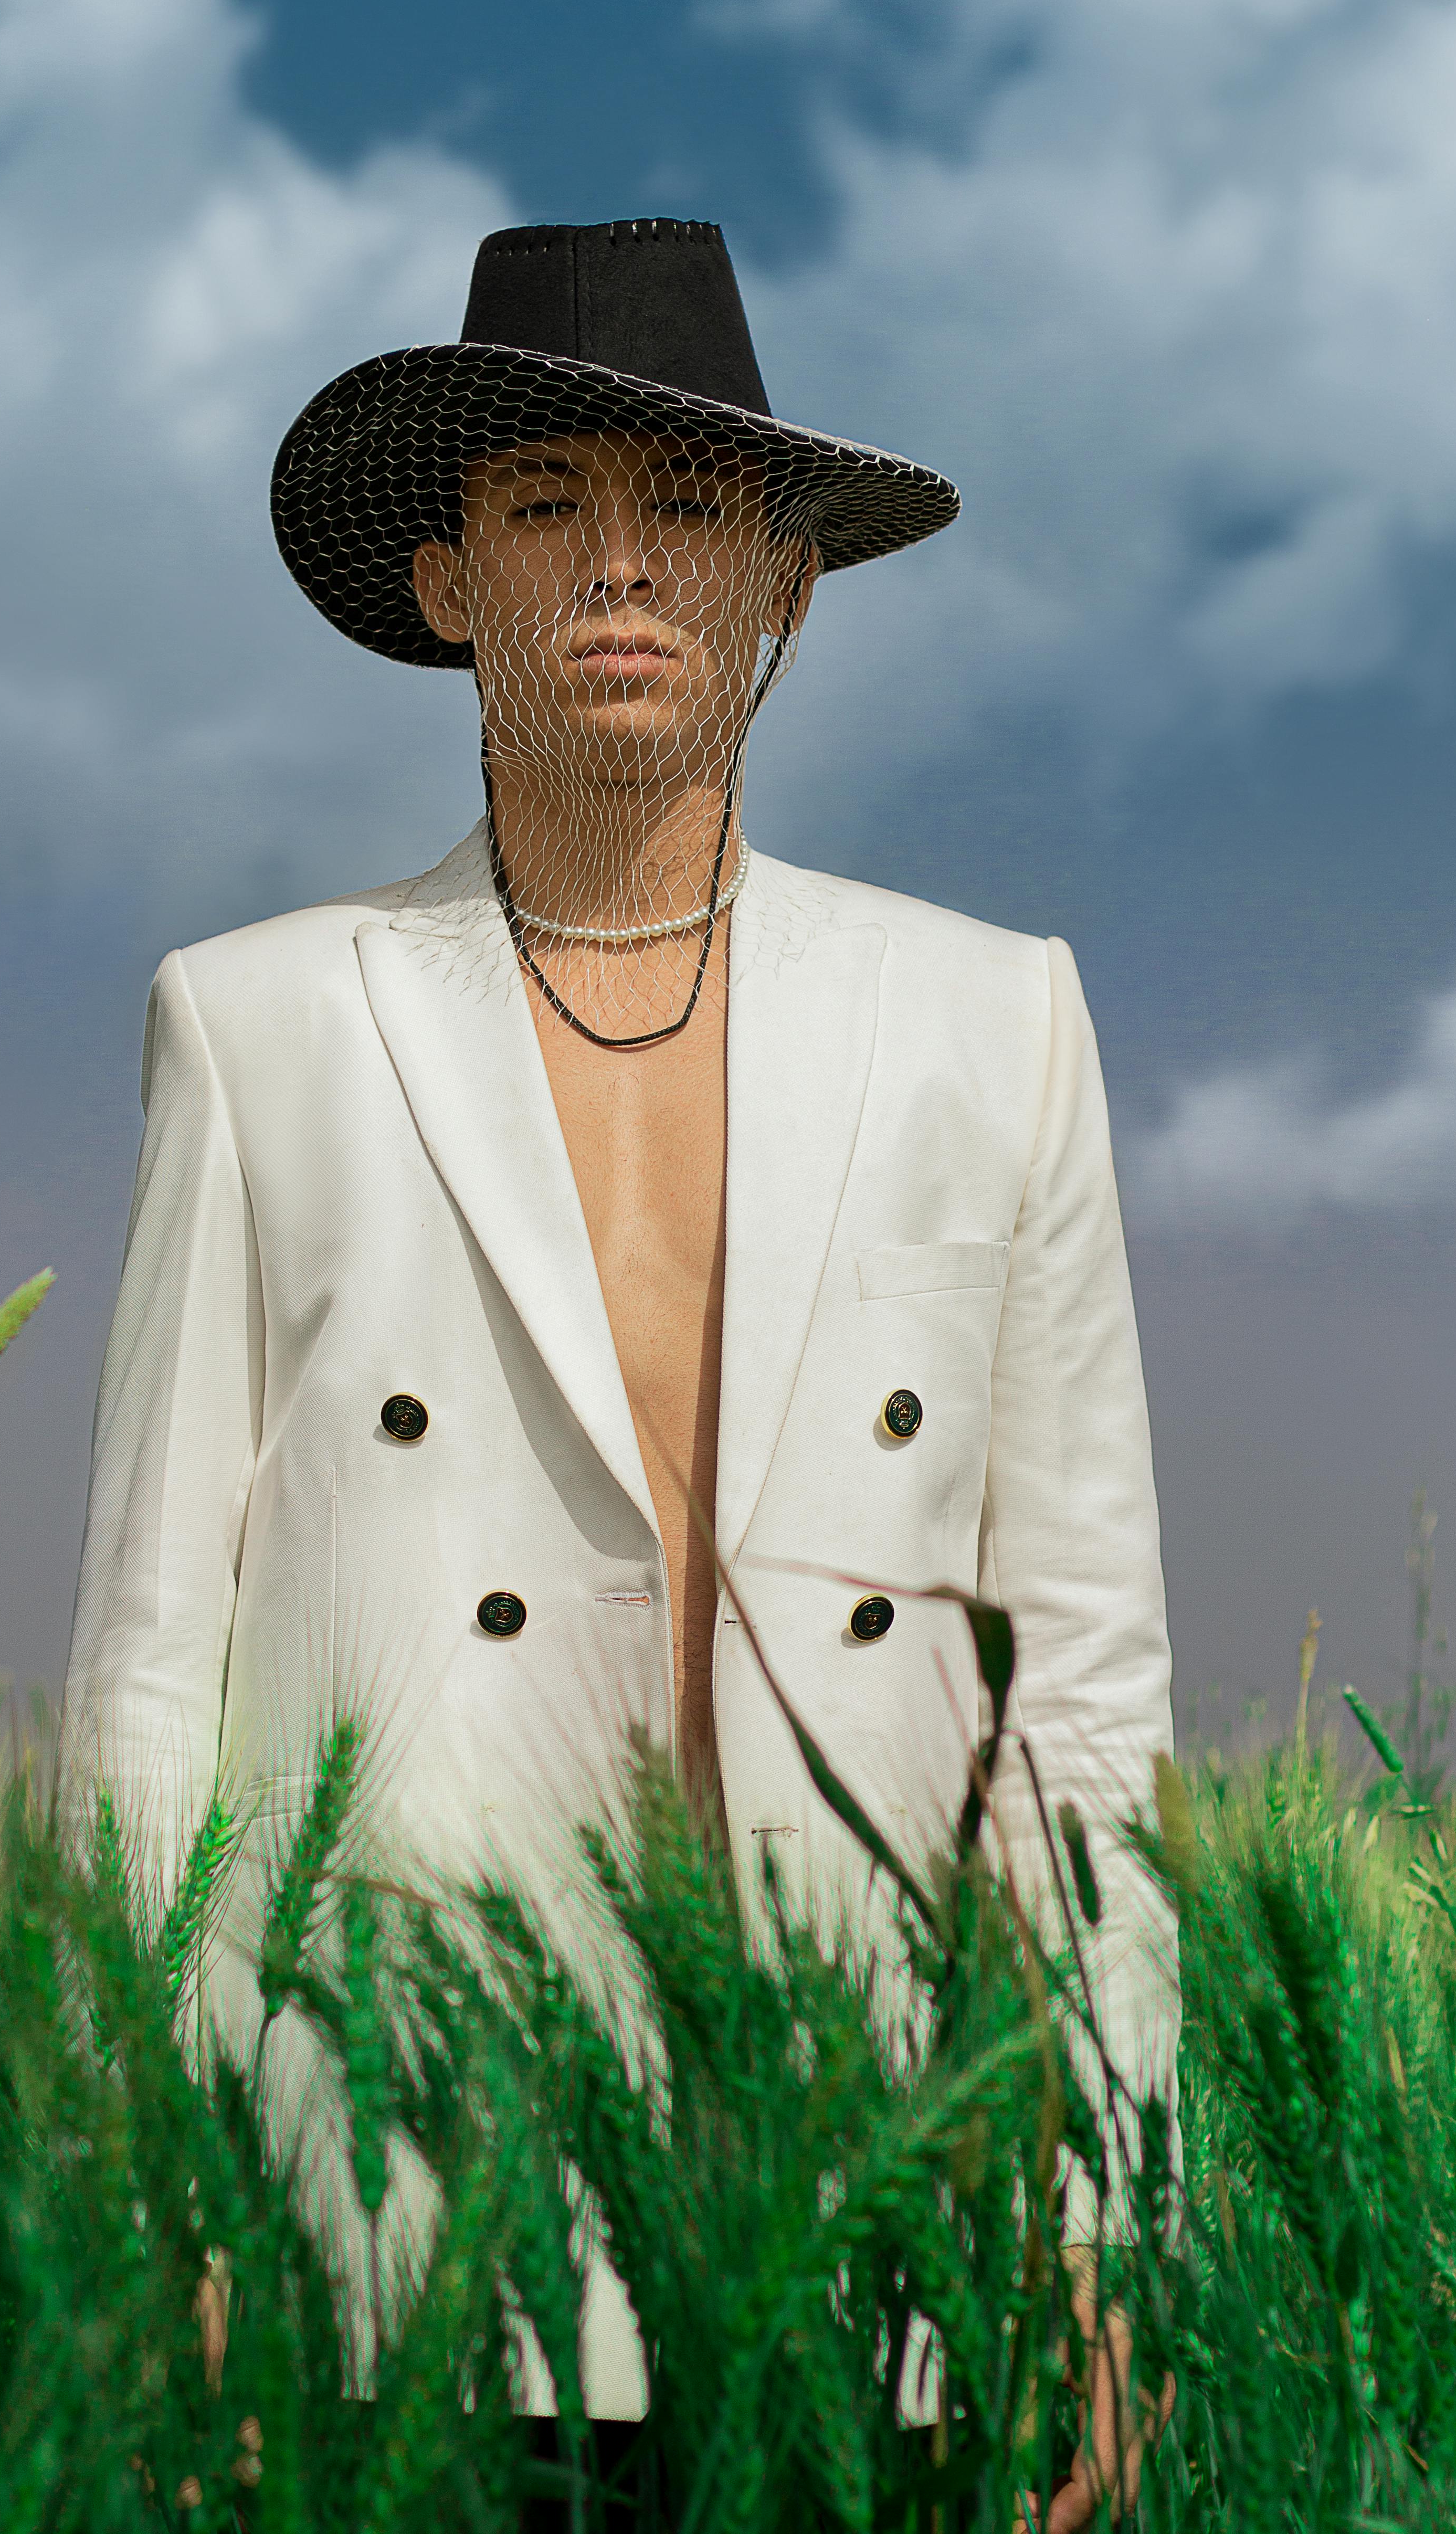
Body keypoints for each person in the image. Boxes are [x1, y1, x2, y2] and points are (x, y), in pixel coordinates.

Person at [62, 217, 1176, 2517]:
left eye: (690, 505)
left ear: (791, 586)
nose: (623, 565)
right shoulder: (263, 1024)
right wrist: (161, 2187)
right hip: (385, 2202)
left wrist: (1097, 2219)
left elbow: (1075, 1693)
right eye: (549, 503)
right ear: (449, 581)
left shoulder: (997, 1022)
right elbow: (152, 1679)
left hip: (856, 2197)